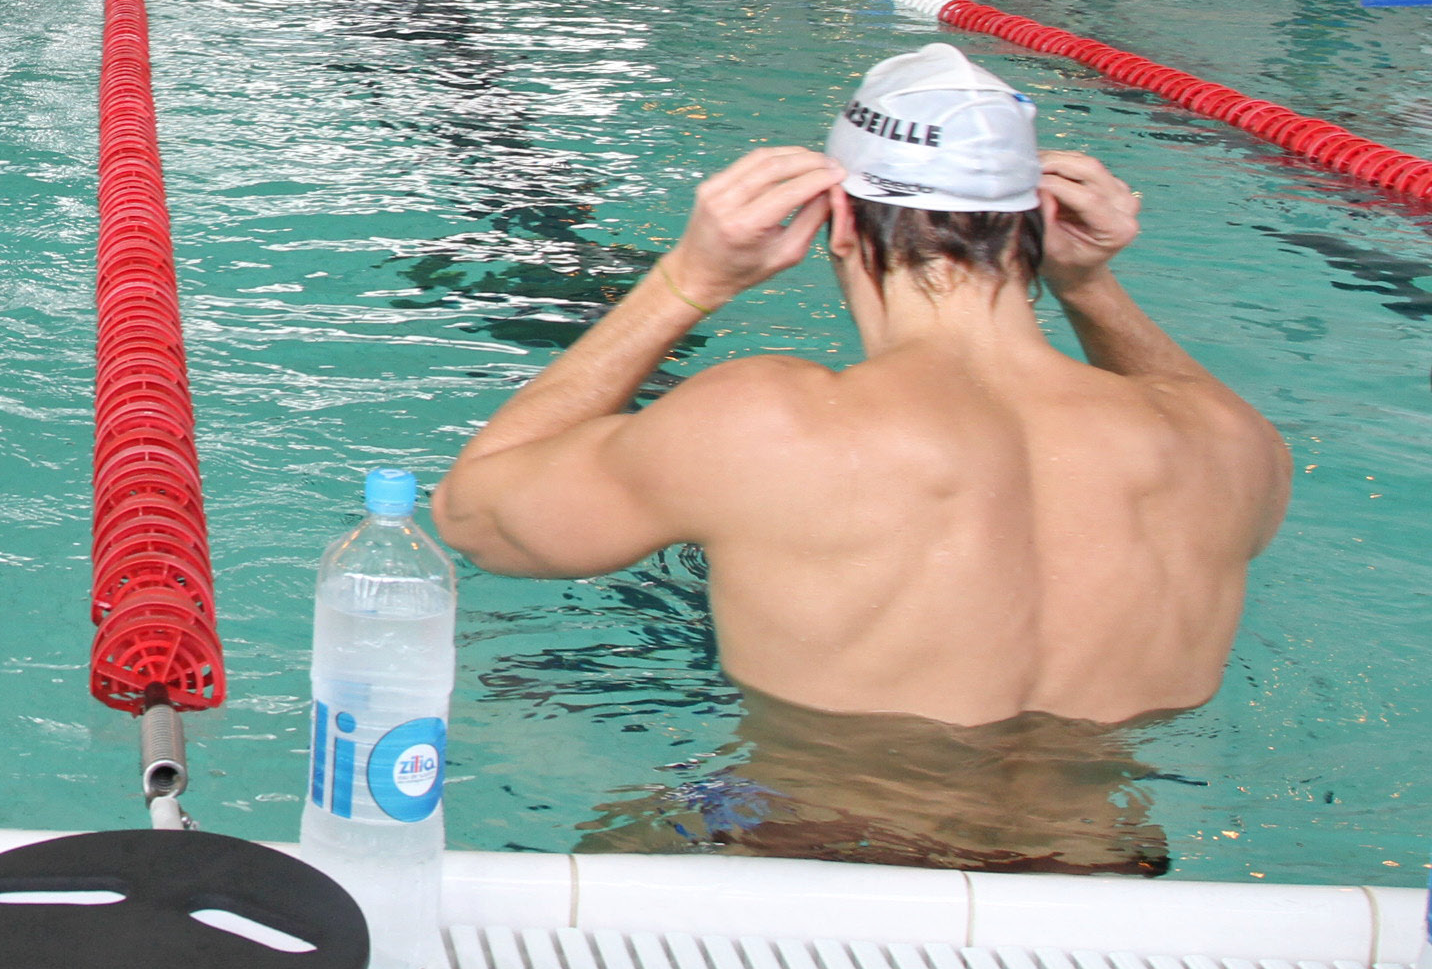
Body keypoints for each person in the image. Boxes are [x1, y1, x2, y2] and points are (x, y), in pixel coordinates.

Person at [433, 46, 1287, 874]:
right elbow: (1193, 401)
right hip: (1101, 882)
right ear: (1040, 223)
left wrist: (686, 282)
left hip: (813, 862)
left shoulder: (769, 422)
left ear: (840, 221)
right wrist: (1092, 286)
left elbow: (476, 519)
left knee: (626, 838)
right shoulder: (1225, 445)